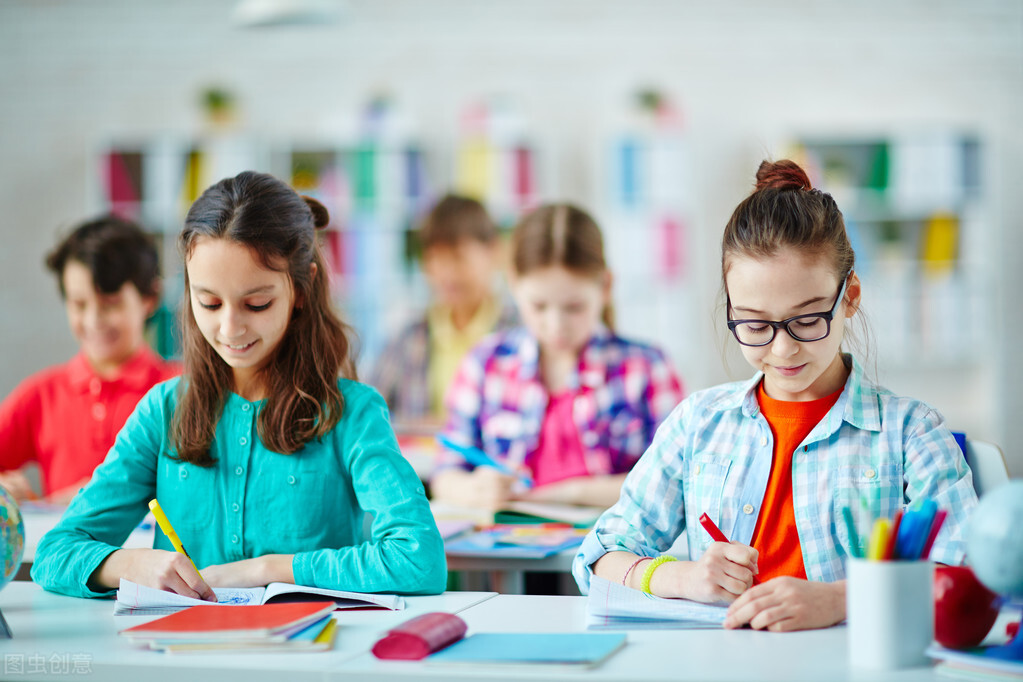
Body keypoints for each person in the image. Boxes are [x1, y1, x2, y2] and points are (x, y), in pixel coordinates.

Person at [573, 159, 978, 631]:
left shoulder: (909, 432)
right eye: (755, 324)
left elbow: (963, 569)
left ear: (850, 297)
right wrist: (681, 576)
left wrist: (841, 600)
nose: (783, 348)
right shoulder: (698, 423)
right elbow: (596, 557)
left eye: (807, 320)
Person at [31, 171, 446, 600]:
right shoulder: (163, 410)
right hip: (178, 660)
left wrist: (268, 570)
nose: (230, 327)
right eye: (208, 302)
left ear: (301, 290)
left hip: (309, 660)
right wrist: (131, 563)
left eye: (257, 303)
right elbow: (54, 554)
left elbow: (419, 559)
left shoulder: (352, 414)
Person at [431, 203, 684, 511]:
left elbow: (672, 483)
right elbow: (445, 473)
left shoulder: (646, 368)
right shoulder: (484, 363)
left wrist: (568, 493)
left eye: (574, 307)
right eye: (538, 306)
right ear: (513, 284)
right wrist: (473, 489)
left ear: (605, 286)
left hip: (614, 552)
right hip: (504, 554)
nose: (556, 326)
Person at [0, 216, 179, 503]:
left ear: (150, 298)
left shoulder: (181, 389)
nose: (94, 320)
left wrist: (62, 502)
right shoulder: (42, 394)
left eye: (111, 303)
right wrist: (13, 494)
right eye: (79, 304)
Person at [369, 194, 517, 426]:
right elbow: (367, 413)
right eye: (435, 258)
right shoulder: (409, 336)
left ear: (494, 251)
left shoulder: (518, 333)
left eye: (458, 257)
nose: (446, 273)